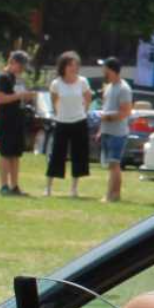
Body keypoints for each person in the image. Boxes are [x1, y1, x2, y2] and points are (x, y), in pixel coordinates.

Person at [44, 52, 93, 198]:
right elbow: (54, 101)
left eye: (75, 65)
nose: (73, 68)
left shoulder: (83, 81)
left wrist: (83, 112)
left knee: (79, 156)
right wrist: (60, 114)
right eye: (70, 65)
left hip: (79, 122)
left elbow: (88, 98)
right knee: (56, 155)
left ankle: (74, 189)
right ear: (63, 66)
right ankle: (48, 188)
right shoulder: (56, 83)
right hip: (62, 122)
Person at [0, 50, 32, 196]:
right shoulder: (3, 78)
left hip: (17, 118)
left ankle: (15, 185)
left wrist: (26, 97)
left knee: (15, 154)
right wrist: (20, 95)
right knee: (5, 153)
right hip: (6, 120)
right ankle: (4, 185)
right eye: (20, 66)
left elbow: (16, 97)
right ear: (13, 62)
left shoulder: (17, 79)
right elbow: (0, 98)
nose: (22, 69)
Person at [95, 56, 134, 203]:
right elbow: (106, 108)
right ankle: (113, 194)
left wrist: (107, 117)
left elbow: (126, 112)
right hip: (106, 131)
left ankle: (111, 195)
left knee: (114, 164)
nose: (103, 71)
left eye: (104, 68)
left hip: (117, 132)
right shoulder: (108, 87)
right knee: (110, 165)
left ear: (111, 70)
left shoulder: (124, 88)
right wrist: (101, 129)